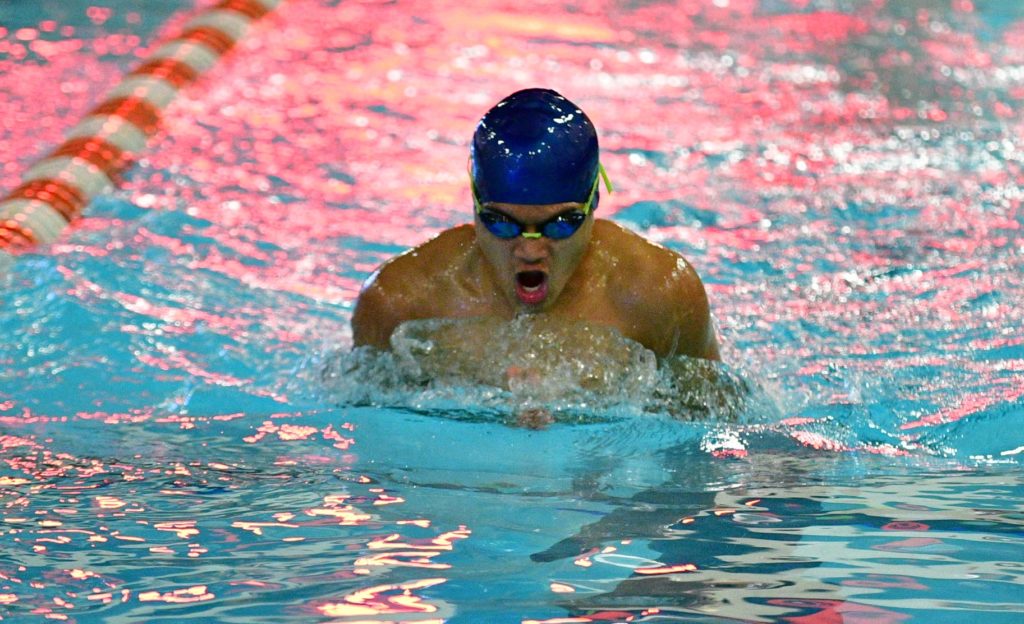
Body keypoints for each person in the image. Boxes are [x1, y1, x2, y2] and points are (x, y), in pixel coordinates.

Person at [352, 88, 720, 364]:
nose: (530, 250)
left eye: (560, 225)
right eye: (502, 224)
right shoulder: (401, 303)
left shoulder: (658, 294)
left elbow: (713, 421)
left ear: (594, 202)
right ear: (475, 206)